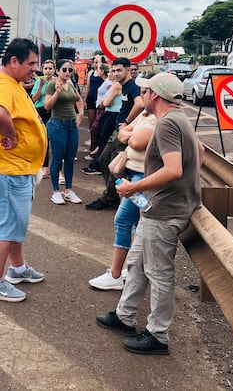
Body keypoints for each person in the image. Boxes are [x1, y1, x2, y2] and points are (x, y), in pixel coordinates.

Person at [97, 72, 202, 355]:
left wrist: (135, 187)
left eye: (144, 91)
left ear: (154, 95)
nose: (141, 95)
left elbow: (173, 169)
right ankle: (125, 315)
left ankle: (158, 335)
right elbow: (199, 155)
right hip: (161, 206)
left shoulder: (167, 124)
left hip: (165, 210)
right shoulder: (180, 119)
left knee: (159, 272)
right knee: (138, 263)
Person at [0, 38, 47, 303]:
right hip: (7, 167)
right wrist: (11, 135)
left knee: (15, 221)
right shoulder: (1, 83)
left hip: (17, 167)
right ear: (13, 61)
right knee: (5, 223)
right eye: (30, 64)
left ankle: (17, 269)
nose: (34, 69)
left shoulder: (11, 82)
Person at [89, 75, 157, 290]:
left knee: (123, 220)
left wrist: (130, 134)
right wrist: (130, 133)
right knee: (135, 224)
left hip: (141, 178)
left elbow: (135, 141)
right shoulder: (145, 114)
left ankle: (117, 274)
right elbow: (122, 133)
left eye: (145, 92)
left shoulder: (156, 119)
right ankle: (131, 271)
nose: (141, 95)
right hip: (133, 173)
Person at [85, 57, 143, 211]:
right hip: (118, 129)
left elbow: (140, 104)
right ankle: (112, 195)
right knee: (104, 161)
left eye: (120, 70)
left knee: (114, 166)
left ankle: (109, 197)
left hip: (124, 131)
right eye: (114, 70)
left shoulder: (132, 86)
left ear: (128, 70)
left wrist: (128, 122)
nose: (116, 73)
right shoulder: (122, 86)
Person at [44, 59, 84, 204]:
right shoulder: (51, 84)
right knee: (57, 158)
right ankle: (56, 191)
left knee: (69, 159)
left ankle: (68, 190)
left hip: (71, 126)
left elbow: (79, 99)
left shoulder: (71, 84)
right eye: (64, 70)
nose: (67, 72)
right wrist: (57, 92)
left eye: (70, 70)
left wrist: (80, 113)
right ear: (58, 71)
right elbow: (47, 106)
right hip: (57, 125)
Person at [30, 59, 55, 177]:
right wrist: (40, 85)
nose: (48, 71)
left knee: (53, 140)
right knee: (42, 139)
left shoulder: (57, 82)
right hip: (40, 111)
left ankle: (55, 168)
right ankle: (44, 167)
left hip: (53, 112)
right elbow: (34, 99)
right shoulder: (39, 81)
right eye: (46, 68)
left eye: (50, 68)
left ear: (54, 70)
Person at [85, 55, 106, 154]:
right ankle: (92, 143)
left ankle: (96, 146)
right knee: (91, 123)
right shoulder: (91, 73)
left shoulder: (103, 73)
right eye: (94, 61)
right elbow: (88, 87)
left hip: (100, 100)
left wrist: (101, 66)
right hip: (91, 98)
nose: (95, 63)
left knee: (97, 125)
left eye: (97, 61)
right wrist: (85, 99)